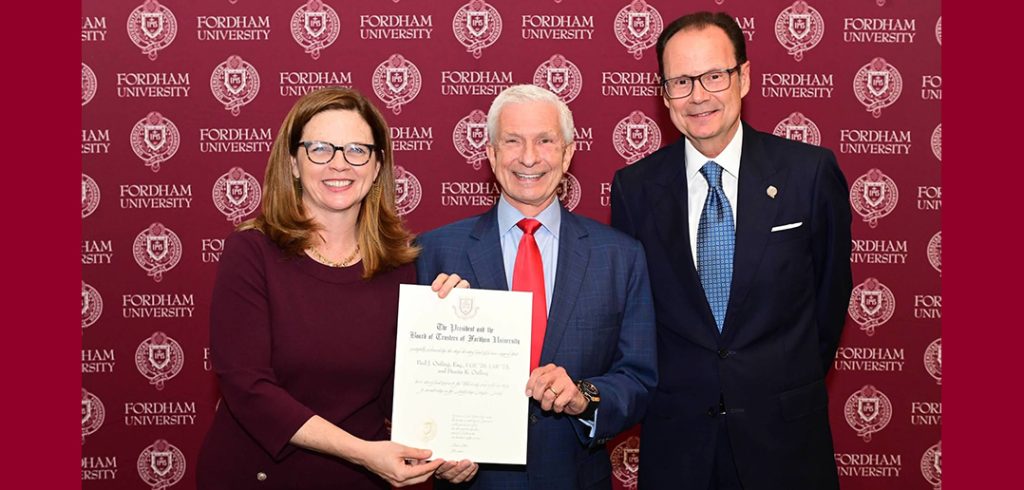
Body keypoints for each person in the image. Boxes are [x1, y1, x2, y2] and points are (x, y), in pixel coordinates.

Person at [610, 12, 853, 490]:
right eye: (681, 81)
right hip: (679, 447)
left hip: (786, 444)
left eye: (714, 76)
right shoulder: (634, 189)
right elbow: (633, 317)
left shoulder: (809, 174)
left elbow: (827, 306)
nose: (698, 95)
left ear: (743, 77)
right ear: (664, 94)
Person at [197, 87, 472, 489]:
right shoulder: (252, 251)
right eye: (321, 149)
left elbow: (402, 398)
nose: (339, 164)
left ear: (377, 165)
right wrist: (363, 452)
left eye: (357, 150)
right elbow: (248, 388)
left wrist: (449, 328)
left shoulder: (401, 267)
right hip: (260, 477)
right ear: (293, 162)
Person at [417, 84, 658, 489]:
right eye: (513, 141)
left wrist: (584, 395)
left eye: (545, 141)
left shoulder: (620, 256)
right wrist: (436, 450)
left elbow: (639, 379)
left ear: (567, 154)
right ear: (491, 154)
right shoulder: (435, 252)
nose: (529, 158)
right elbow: (408, 385)